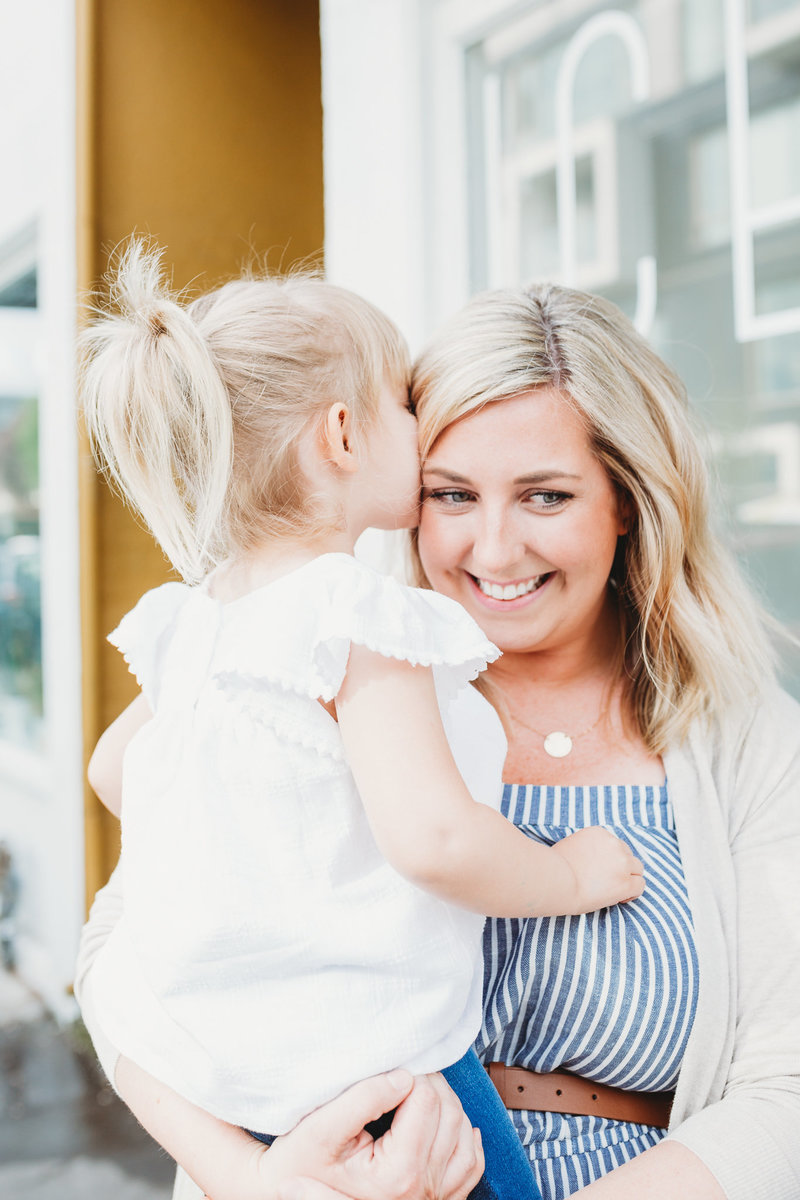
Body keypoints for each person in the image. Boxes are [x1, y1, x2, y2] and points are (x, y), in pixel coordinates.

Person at [77, 278, 800, 1200]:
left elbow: (786, 1089)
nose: (493, 552)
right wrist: (257, 1181)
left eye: (544, 497)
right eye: (450, 493)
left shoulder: (748, 744)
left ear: (628, 500)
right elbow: (117, 964)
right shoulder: (325, 669)